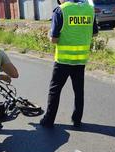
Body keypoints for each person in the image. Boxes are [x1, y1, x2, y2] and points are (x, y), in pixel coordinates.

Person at [40, 0, 98, 128]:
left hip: (63, 61)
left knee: (54, 90)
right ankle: (77, 120)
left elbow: (54, 39)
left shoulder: (61, 10)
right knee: (78, 91)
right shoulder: (90, 10)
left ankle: (48, 120)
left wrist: (49, 36)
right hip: (80, 59)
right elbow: (94, 33)